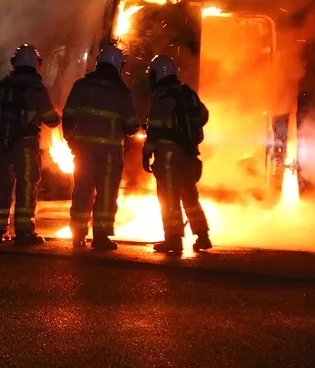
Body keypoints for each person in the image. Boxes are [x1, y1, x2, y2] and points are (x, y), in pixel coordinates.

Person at [63, 43, 140, 251]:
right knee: (106, 195)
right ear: (118, 66)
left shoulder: (81, 86)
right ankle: (101, 237)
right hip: (109, 155)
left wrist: (71, 140)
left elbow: (68, 116)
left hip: (84, 151)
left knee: (82, 191)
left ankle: (78, 235)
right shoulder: (121, 93)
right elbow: (132, 126)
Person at [0, 43, 61, 245]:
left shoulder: (1, 87)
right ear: (36, 64)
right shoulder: (36, 88)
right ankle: (24, 232)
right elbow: (49, 119)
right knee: (26, 187)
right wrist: (57, 118)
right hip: (26, 146)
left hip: (2, 144)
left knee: (2, 186)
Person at [141, 54, 212, 255]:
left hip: (168, 157)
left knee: (168, 198)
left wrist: (146, 154)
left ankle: (173, 239)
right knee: (190, 196)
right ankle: (202, 235)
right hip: (189, 155)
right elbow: (203, 115)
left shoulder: (160, 97)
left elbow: (154, 130)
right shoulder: (188, 93)